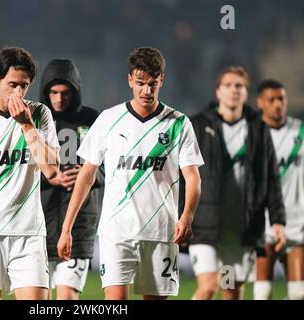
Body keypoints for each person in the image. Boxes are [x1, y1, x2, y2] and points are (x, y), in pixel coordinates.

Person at [57, 47, 203, 300]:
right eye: (140, 83)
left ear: (162, 81)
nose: (147, 91)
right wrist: (66, 227)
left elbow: (192, 177)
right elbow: (86, 174)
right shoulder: (109, 119)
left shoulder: (179, 123)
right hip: (117, 231)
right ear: (130, 80)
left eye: (153, 84)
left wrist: (187, 217)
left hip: (160, 231)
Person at [186, 66, 286, 300]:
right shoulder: (199, 126)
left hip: (241, 227)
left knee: (231, 292)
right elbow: (184, 174)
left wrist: (278, 220)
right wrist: (183, 214)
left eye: (239, 86)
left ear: (246, 92)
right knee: (209, 286)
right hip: (207, 224)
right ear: (218, 91)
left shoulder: (257, 128)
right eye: (228, 85)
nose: (233, 90)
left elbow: (271, 177)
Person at [0, 47, 60, 300]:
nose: (18, 92)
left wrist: (26, 124)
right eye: (12, 84)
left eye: (24, 85)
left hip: (28, 232)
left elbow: (52, 170)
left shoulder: (40, 114)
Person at [39, 59, 104, 300]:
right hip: (39, 223)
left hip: (79, 223)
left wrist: (91, 175)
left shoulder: (93, 119)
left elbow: (113, 167)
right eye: (53, 92)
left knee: (66, 297)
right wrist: (50, 178)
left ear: (75, 91)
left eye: (65, 93)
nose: (58, 98)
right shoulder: (35, 121)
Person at [254, 79, 304, 300]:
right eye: (271, 100)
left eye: (281, 99)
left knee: (298, 293)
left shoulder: (300, 133)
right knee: (262, 292)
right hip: (262, 223)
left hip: (296, 222)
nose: (277, 104)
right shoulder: (251, 134)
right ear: (260, 103)